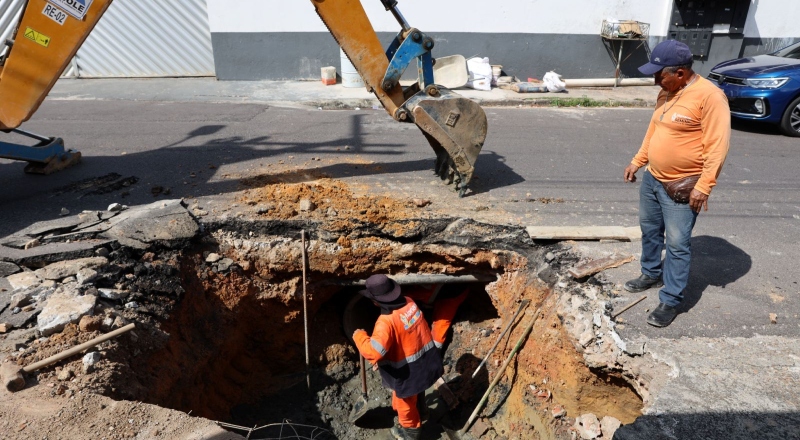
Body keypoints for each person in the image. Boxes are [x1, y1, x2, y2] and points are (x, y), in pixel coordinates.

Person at [623, 40, 731, 328]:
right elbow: (654, 129)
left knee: (678, 244)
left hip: (682, 188)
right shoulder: (668, 92)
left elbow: (717, 147)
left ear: (681, 73)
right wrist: (638, 160)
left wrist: (704, 186)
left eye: (660, 74)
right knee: (649, 230)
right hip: (653, 178)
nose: (656, 80)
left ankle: (670, 299)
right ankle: (650, 272)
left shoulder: (710, 97)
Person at [352, 274, 444, 440]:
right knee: (419, 389)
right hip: (425, 360)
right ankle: (422, 412)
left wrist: (359, 336)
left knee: (405, 406)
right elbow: (404, 335)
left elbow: (373, 352)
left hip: (407, 373)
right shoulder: (409, 302)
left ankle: (411, 432)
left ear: (375, 301)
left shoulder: (385, 322)